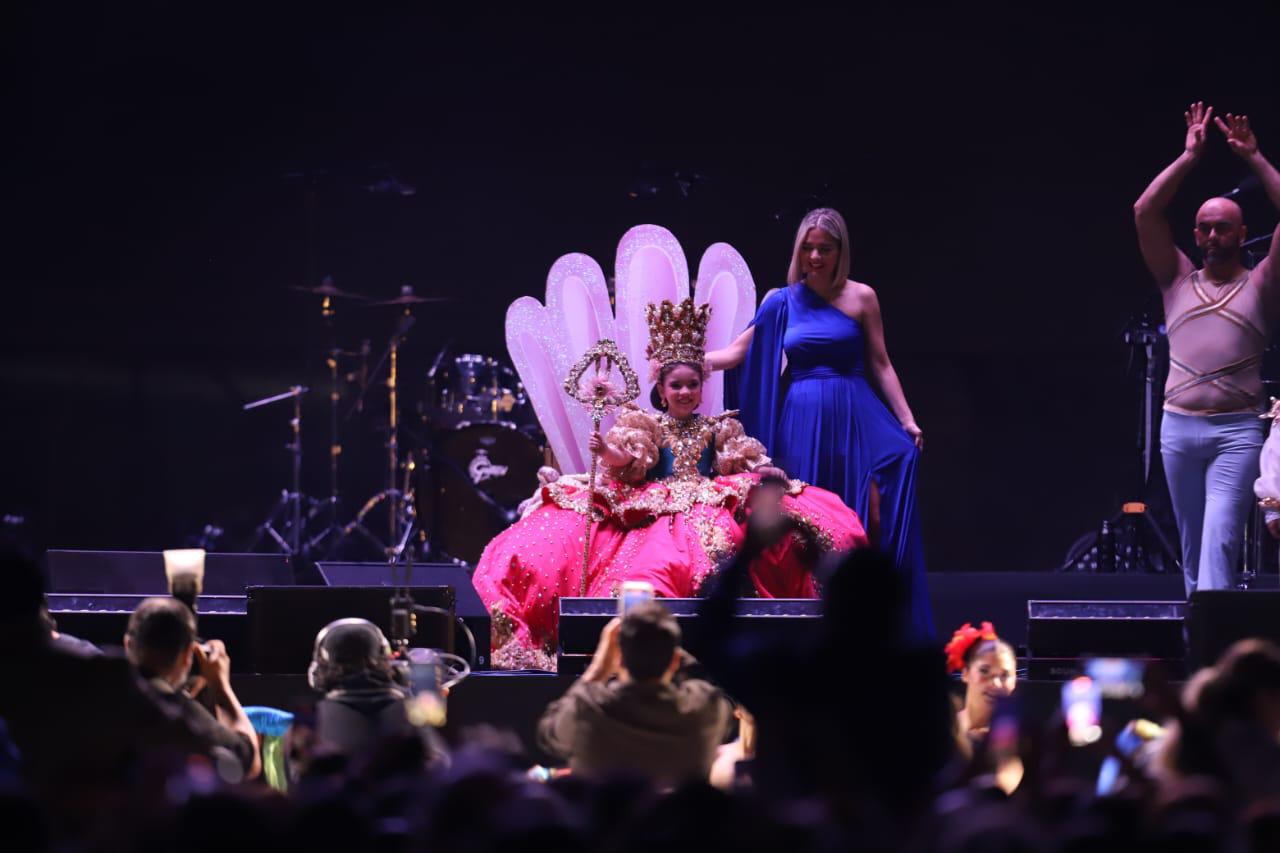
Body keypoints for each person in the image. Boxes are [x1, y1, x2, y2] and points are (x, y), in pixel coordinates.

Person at [473, 297, 868, 670]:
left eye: (692, 385)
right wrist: (606, 451)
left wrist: (766, 471)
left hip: (707, 498)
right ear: (660, 390)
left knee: (797, 522)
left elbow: (739, 462)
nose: (684, 392)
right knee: (632, 556)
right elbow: (629, 459)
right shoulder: (649, 426)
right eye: (675, 385)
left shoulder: (717, 427)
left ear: (702, 389)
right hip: (655, 503)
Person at [708, 207, 932, 640]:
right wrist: (688, 362)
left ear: (840, 251)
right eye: (808, 248)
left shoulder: (862, 297)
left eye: (824, 249)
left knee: (876, 503)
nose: (815, 256)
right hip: (804, 416)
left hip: (856, 410)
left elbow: (881, 363)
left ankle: (873, 618)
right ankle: (816, 626)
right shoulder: (782, 300)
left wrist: (907, 420)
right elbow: (737, 352)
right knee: (809, 517)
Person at [1133, 103, 1280, 594]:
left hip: (1235, 432)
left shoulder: (1261, 284)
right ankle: (1205, 643)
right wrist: (1188, 157)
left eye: (1222, 227)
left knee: (1218, 540)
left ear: (1242, 233)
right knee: (1194, 552)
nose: (1212, 234)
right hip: (1177, 429)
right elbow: (1145, 211)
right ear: (1195, 234)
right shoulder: (1176, 280)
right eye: (1203, 227)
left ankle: (1213, 645)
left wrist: (1255, 157)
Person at [536, 603, 731, 786]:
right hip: (677, 822)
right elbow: (704, 683)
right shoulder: (704, 710)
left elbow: (549, 735)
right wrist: (661, 642)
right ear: (675, 660)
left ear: (618, 659)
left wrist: (599, 668)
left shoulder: (586, 708)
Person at [124, 597, 260, 780]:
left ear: (127, 644)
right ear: (188, 655)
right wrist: (221, 685)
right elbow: (247, 763)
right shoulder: (182, 715)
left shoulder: (93, 693)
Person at [943, 621, 1017, 743]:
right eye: (984, 671)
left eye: (1005, 675)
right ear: (966, 673)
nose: (996, 684)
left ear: (1015, 680)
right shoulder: (944, 729)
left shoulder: (1022, 740)